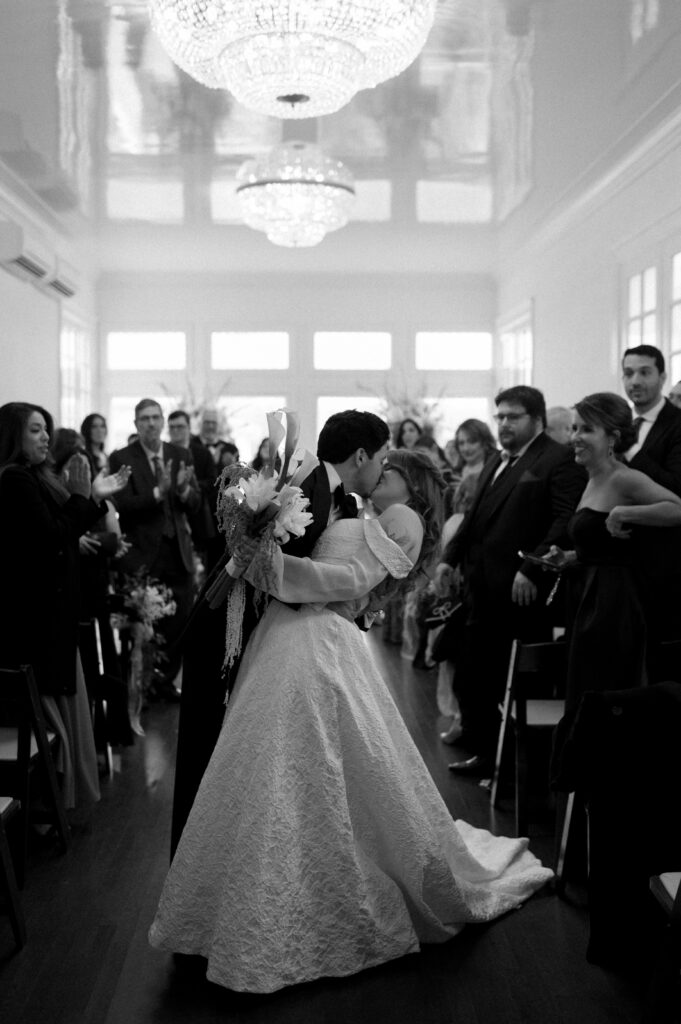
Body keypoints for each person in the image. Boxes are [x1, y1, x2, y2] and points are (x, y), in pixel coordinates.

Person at [149, 449, 553, 993]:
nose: (377, 474)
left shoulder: (403, 517)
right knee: (294, 760)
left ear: (408, 485)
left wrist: (264, 564)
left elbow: (352, 581)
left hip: (318, 634)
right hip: (301, 634)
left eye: (388, 472)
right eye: (378, 467)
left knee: (308, 757)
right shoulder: (365, 511)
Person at [170, 409, 391, 855]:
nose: (383, 469)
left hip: (265, 636)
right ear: (362, 455)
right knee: (205, 750)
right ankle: (197, 855)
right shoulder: (302, 485)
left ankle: (240, 848)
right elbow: (261, 565)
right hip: (223, 633)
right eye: (383, 458)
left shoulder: (335, 497)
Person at [439, 385, 586, 776]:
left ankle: (519, 772)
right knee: (475, 679)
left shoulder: (558, 459)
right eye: (499, 416)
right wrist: (449, 560)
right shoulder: (497, 461)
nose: (503, 423)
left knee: (514, 683)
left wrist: (531, 567)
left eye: (513, 416)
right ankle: (487, 755)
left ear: (536, 420)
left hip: (521, 593)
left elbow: (564, 520)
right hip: (480, 589)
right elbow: (474, 519)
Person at [0, 402, 130, 807]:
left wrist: (89, 496)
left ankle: (50, 803)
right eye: (36, 430)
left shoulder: (32, 477)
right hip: (36, 619)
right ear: (13, 435)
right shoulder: (15, 480)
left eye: (46, 430)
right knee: (46, 713)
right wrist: (81, 496)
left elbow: (64, 527)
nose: (45, 438)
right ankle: (42, 806)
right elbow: (53, 537)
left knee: (59, 709)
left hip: (53, 615)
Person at [544, 393, 681, 776]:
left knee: (602, 695)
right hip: (591, 601)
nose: (575, 437)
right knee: (584, 694)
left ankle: (608, 790)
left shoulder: (626, 478)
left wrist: (627, 510)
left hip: (616, 608)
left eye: (586, 429)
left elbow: (677, 509)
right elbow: (602, 548)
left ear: (613, 436)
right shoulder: (593, 479)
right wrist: (569, 558)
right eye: (573, 428)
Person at [109, 399, 201, 700]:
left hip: (179, 552)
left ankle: (164, 681)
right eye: (144, 419)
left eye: (155, 418)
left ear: (163, 422)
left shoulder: (180, 453)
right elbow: (122, 504)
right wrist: (159, 492)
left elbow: (196, 504)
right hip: (143, 553)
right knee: (142, 623)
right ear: (136, 424)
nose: (150, 423)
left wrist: (185, 491)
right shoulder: (122, 457)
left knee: (181, 619)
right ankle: (141, 686)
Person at [621, 344, 681, 648]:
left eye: (645, 372)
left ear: (662, 377)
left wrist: (631, 452)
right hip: (624, 559)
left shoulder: (677, 424)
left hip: (665, 560)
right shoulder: (622, 425)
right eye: (629, 373)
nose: (635, 381)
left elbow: (675, 488)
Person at [168, 409, 218, 572]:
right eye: (172, 427)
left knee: (199, 569)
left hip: (198, 516)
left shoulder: (202, 452)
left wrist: (191, 487)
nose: (176, 431)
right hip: (172, 516)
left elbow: (213, 481)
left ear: (189, 428)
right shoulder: (164, 452)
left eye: (180, 426)